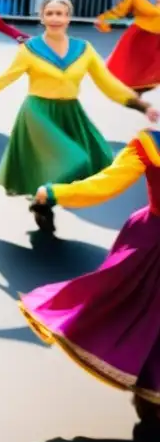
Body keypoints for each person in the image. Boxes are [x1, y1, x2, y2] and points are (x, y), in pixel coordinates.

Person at [0, 0, 157, 232]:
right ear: (42, 18)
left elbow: (107, 83)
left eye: (60, 13)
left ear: (68, 18)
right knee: (75, 159)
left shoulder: (84, 49)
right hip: (38, 113)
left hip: (70, 113)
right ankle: (45, 199)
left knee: (96, 159)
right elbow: (6, 78)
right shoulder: (29, 49)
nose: (55, 18)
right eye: (50, 13)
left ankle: (44, 203)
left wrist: (140, 105)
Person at [25, 130, 160, 423]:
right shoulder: (151, 145)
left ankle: (151, 393)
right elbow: (104, 186)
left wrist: (53, 192)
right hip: (152, 247)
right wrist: (57, 192)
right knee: (142, 311)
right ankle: (151, 392)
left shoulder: (151, 144)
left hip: (151, 238)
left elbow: (105, 186)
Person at [96, 0, 160, 94]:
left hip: (157, 36)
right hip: (140, 35)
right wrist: (104, 19)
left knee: (154, 65)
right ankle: (133, 94)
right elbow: (120, 11)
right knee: (135, 66)